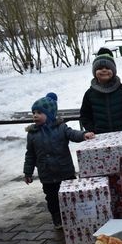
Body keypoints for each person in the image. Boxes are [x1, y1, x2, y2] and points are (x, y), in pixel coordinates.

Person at [23, 93, 95, 229]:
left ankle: (75, 215)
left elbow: (73, 134)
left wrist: (83, 134)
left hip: (65, 172)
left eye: (39, 112)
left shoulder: (61, 128)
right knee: (52, 199)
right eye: (34, 113)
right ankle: (57, 218)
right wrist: (28, 172)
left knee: (72, 196)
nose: (35, 115)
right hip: (47, 175)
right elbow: (30, 155)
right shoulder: (32, 134)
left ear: (50, 114)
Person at [80, 48, 122, 134]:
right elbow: (85, 115)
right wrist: (93, 130)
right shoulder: (90, 94)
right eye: (100, 68)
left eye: (107, 68)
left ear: (113, 71)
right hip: (100, 137)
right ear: (94, 72)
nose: (104, 70)